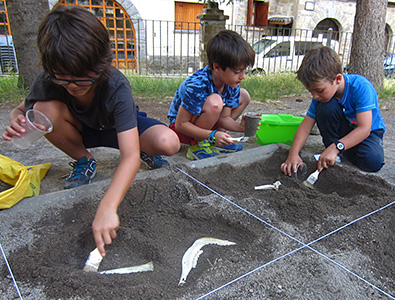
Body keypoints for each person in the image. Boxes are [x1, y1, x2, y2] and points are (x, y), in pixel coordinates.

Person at [2, 6, 180, 256]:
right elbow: (21, 110)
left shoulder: (116, 85)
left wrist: (108, 206)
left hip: (119, 130)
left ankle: (146, 150)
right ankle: (84, 160)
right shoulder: (49, 79)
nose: (72, 86)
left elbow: (128, 156)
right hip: (79, 131)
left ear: (101, 64)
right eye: (63, 79)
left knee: (168, 142)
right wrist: (17, 120)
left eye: (82, 79)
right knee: (44, 109)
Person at [281, 46, 385, 176]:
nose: (314, 96)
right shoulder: (321, 97)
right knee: (325, 107)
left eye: (319, 90)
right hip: (343, 131)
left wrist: (337, 147)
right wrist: (293, 154)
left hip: (368, 133)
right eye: (310, 91)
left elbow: (364, 129)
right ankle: (334, 152)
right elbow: (305, 127)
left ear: (338, 79)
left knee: (372, 161)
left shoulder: (361, 87)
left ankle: (337, 151)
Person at [167, 30, 255, 160]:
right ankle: (197, 146)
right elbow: (181, 124)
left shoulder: (231, 83)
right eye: (237, 71)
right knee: (215, 101)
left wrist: (241, 128)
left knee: (244, 95)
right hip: (182, 129)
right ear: (217, 68)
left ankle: (218, 139)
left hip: (206, 124)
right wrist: (212, 134)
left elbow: (224, 118)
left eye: (244, 70)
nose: (243, 76)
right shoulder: (197, 85)